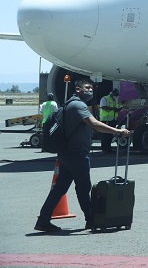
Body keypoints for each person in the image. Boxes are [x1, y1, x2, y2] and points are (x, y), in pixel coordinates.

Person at [35, 80, 131, 233]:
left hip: (66, 153)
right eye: (87, 88)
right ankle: (91, 220)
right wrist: (117, 131)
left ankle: (43, 220)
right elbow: (94, 124)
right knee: (83, 188)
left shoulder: (68, 105)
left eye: (91, 88)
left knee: (59, 189)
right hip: (77, 154)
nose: (90, 90)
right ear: (77, 89)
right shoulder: (78, 105)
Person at [98, 88, 122, 153]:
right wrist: (113, 109)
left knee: (110, 134)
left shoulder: (115, 100)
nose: (116, 96)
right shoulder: (105, 98)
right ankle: (104, 148)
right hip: (105, 119)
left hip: (113, 119)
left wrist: (119, 109)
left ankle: (108, 148)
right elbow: (103, 106)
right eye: (115, 94)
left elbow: (116, 108)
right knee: (105, 134)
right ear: (111, 93)